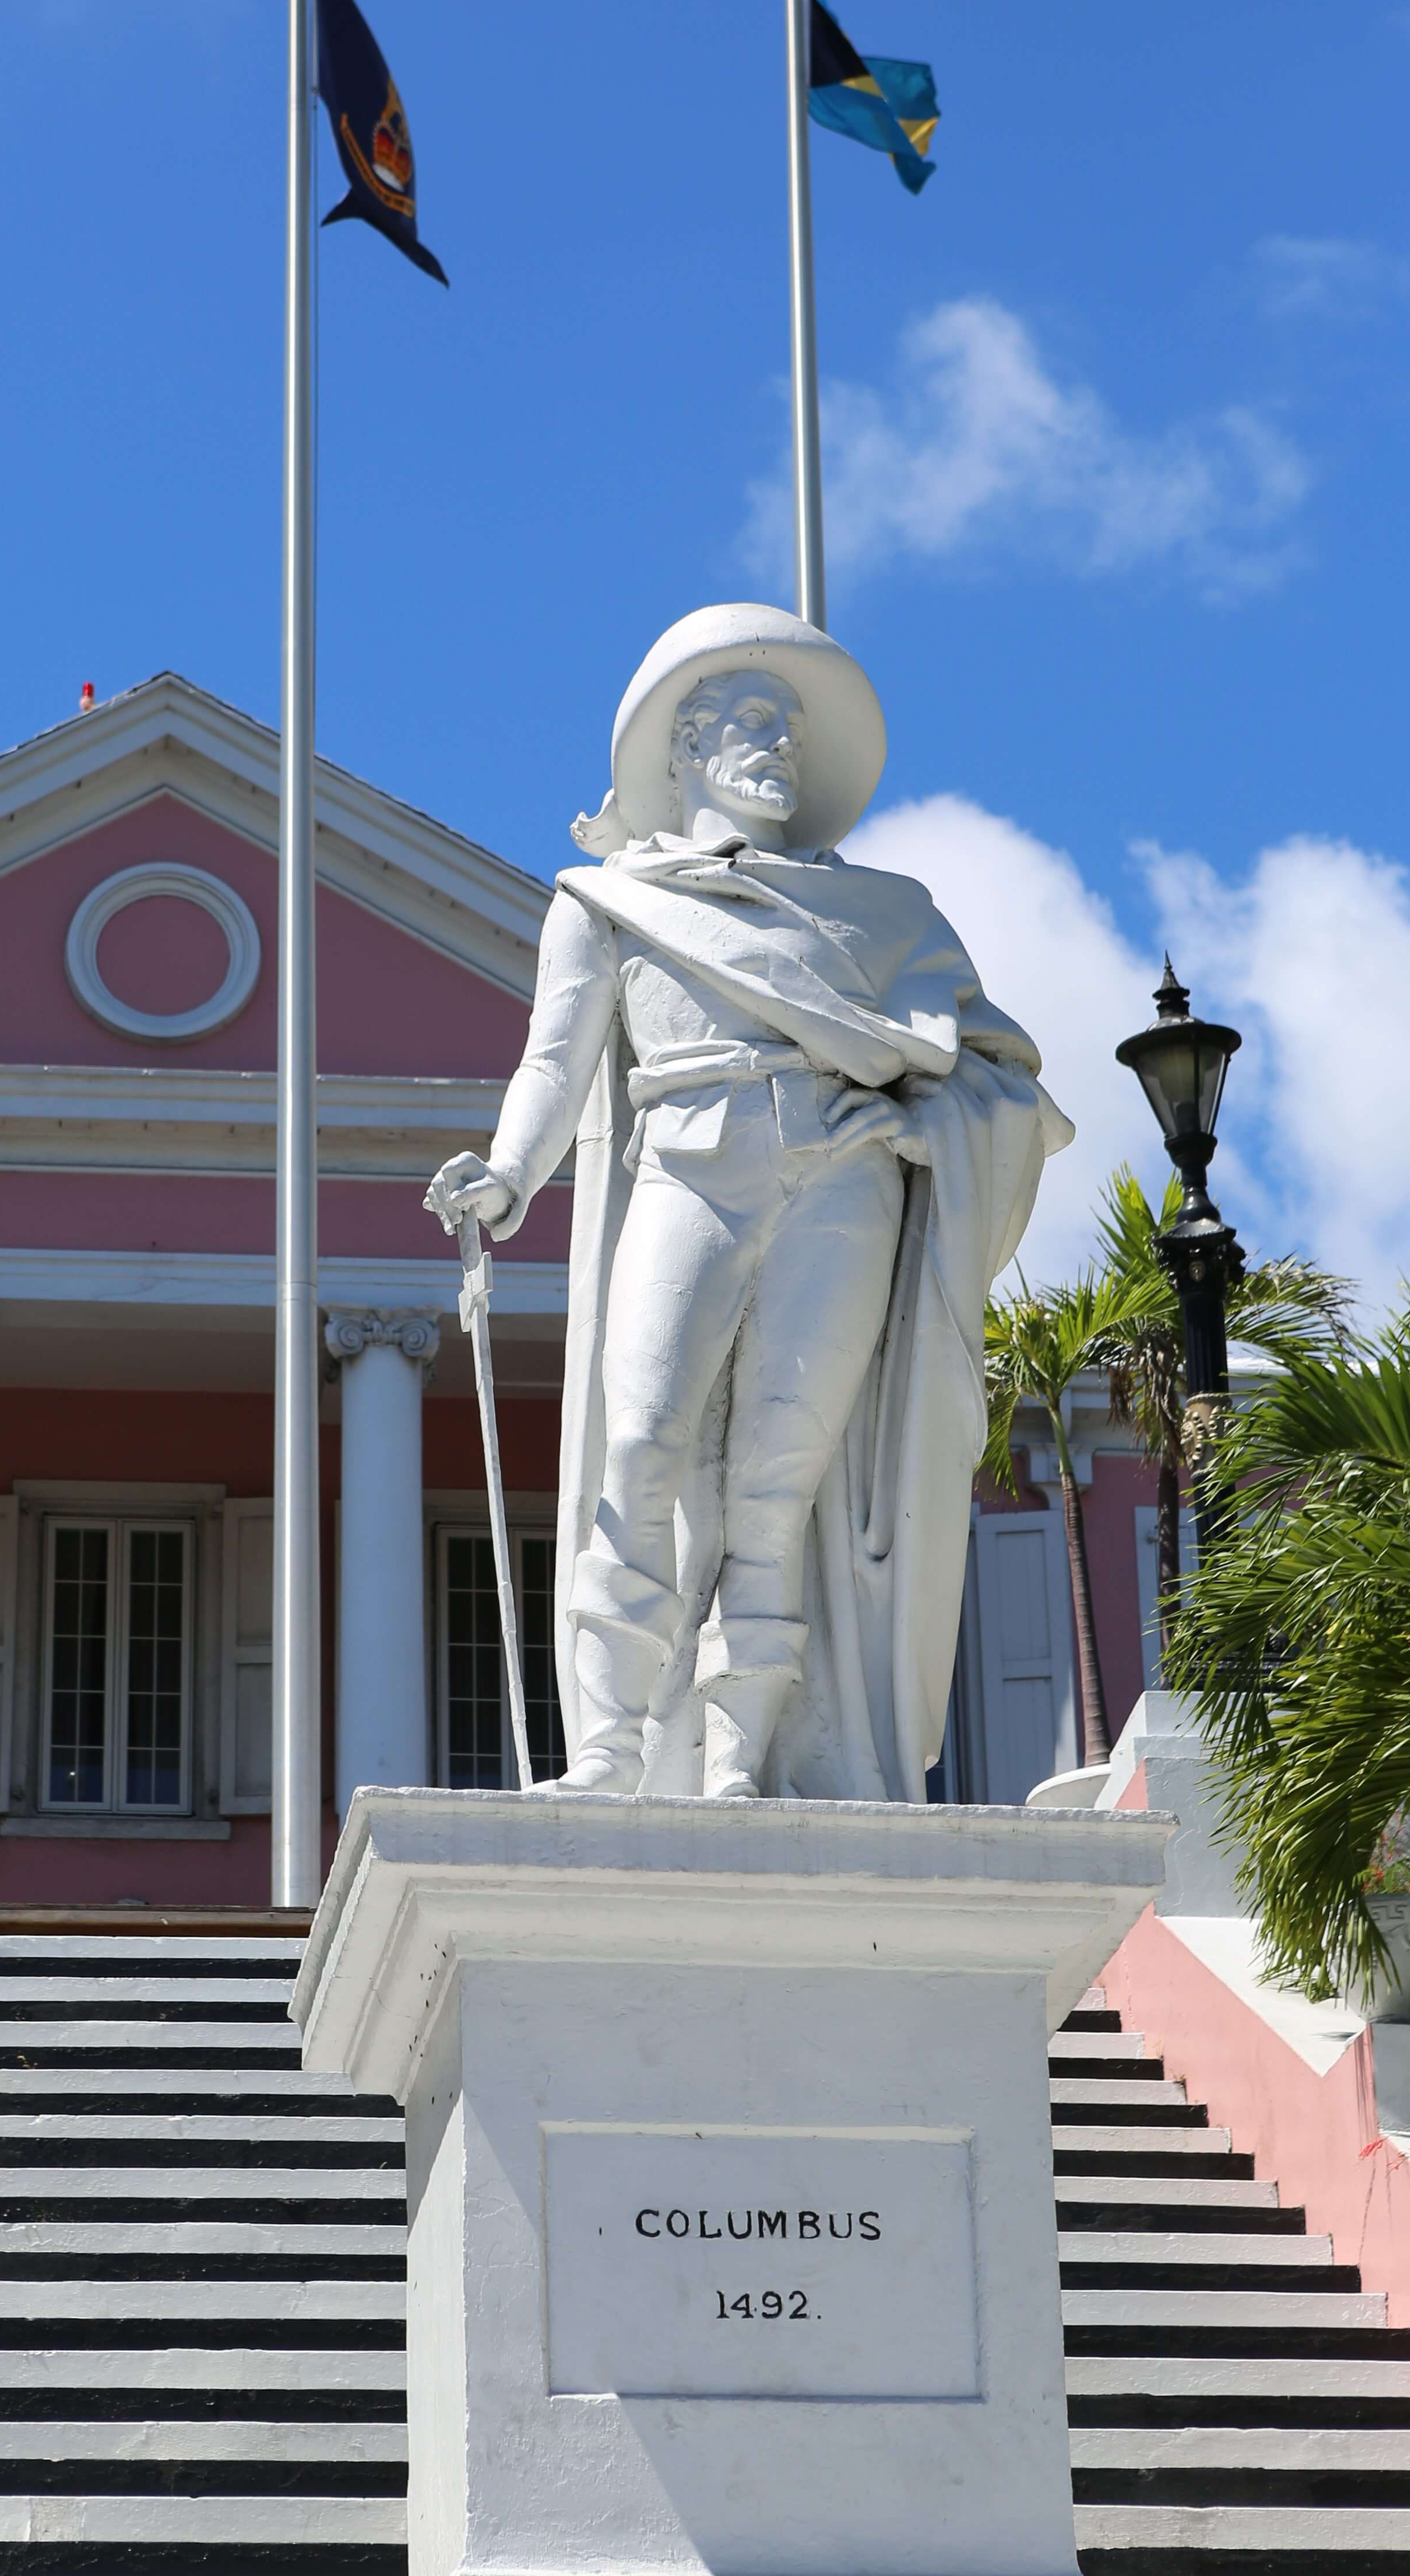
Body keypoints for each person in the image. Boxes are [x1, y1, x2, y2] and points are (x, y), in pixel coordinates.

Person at [428, 603, 1071, 1801]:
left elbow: (998, 1075)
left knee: (779, 1483)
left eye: (789, 726)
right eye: (751, 721)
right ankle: (613, 1753)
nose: (779, 745)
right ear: (687, 751)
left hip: (842, 1182)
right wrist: (510, 1171)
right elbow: (554, 1061)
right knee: (642, 1444)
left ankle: (740, 1767)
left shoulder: (888, 916)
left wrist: (920, 1118)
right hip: (692, 1160)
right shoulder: (609, 903)